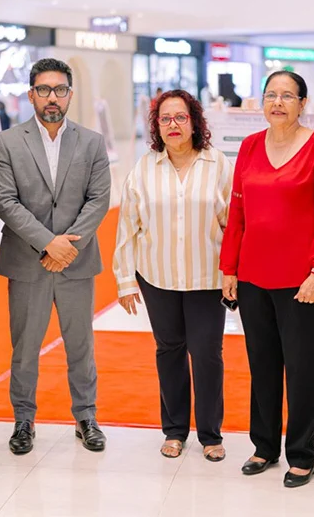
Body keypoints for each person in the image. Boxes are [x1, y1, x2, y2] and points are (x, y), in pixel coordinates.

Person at [220, 70, 314, 488]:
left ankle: (303, 453)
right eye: (270, 95)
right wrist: (229, 267)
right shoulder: (250, 146)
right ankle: (264, 446)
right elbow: (237, 211)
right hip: (253, 276)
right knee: (263, 364)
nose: (277, 103)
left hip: (301, 280)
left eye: (287, 96)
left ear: (302, 104)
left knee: (303, 368)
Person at [0, 58, 111, 456]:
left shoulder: (91, 142)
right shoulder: (8, 142)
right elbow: (4, 200)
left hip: (76, 261)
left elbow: (99, 199)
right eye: (44, 90)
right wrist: (47, 243)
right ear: (31, 95)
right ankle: (23, 420)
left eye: (59, 90)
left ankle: (86, 417)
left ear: (70, 95)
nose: (52, 97)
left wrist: (67, 246)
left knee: (81, 345)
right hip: (28, 262)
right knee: (25, 348)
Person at [113, 89, 233, 462]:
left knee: (207, 354)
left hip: (207, 277)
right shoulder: (144, 168)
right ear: (156, 126)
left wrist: (234, 271)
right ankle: (175, 430)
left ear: (195, 122)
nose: (173, 124)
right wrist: (125, 280)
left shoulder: (218, 164)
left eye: (181, 117)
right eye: (165, 118)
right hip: (157, 277)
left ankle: (210, 434)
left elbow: (233, 223)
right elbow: (127, 227)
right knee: (169, 351)